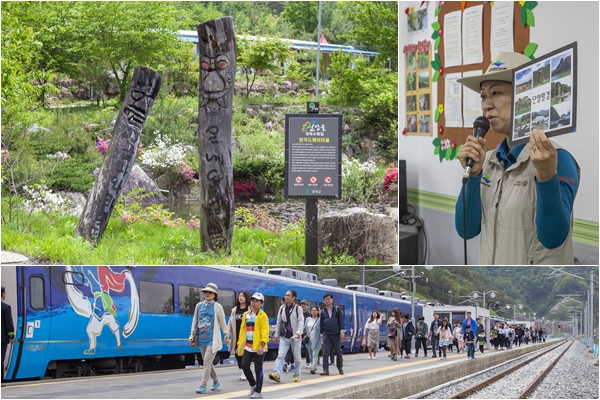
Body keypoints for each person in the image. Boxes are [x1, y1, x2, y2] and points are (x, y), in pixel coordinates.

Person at [455, 52, 580, 265]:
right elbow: (466, 230)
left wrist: (547, 175)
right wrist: (474, 175)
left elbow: (552, 239)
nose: (487, 105)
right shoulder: (490, 160)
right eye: (483, 96)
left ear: (528, 97)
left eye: (496, 92)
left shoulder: (559, 159)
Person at [189, 283, 229, 394]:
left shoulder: (218, 307)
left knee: (206, 361)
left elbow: (222, 322)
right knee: (208, 363)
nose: (207, 294)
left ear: (215, 294)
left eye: (210, 292)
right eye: (205, 292)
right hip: (201, 338)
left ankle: (203, 385)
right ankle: (216, 381)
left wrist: (226, 335)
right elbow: (195, 321)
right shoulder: (199, 306)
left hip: (212, 339)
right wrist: (192, 334)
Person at [238, 293, 269, 400]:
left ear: (261, 303)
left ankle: (258, 391)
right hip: (248, 346)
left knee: (258, 369)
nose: (254, 303)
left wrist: (262, 345)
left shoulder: (263, 315)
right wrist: (239, 344)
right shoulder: (246, 314)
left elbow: (265, 332)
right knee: (244, 365)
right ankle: (253, 385)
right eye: (252, 301)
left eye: (257, 301)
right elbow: (242, 331)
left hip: (259, 346)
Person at [269, 290, 304, 383]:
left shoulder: (298, 308)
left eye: (288, 295)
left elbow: (301, 322)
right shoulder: (282, 308)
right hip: (284, 336)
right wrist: (276, 335)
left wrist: (298, 333)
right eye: (285, 295)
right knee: (280, 356)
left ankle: (296, 375)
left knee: (297, 358)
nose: (286, 297)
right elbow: (279, 321)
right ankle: (276, 374)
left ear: (294, 298)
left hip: (295, 337)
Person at [227, 291, 251, 381]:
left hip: (247, 335)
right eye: (239, 296)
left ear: (246, 298)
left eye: (243, 296)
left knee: (245, 353)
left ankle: (244, 372)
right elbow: (230, 323)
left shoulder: (249, 309)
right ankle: (244, 368)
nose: (240, 297)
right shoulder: (234, 310)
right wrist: (227, 334)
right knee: (238, 355)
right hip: (236, 335)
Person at [319, 293, 345, 375]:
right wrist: (321, 334)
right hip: (326, 333)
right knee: (325, 352)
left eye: (328, 299)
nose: (327, 300)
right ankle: (325, 369)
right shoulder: (323, 311)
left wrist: (342, 332)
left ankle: (340, 367)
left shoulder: (337, 309)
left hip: (336, 333)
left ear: (332, 300)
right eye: (325, 299)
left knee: (338, 351)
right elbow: (321, 323)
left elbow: (341, 321)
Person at [2, 287, 15, 381]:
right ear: (2, 295)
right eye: (5, 293)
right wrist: (11, 337)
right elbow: (9, 323)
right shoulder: (5, 307)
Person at [305, 306, 321, 374]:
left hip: (317, 339)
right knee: (310, 353)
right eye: (312, 310)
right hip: (309, 339)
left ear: (317, 311)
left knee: (315, 353)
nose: (313, 312)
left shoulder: (319, 320)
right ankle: (312, 365)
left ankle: (314, 367)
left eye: (315, 310)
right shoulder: (307, 319)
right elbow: (305, 328)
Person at [300, 300, 311, 369]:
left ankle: (308, 362)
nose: (303, 306)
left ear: (307, 306)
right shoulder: (298, 314)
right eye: (302, 304)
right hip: (298, 333)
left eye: (305, 304)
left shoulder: (309, 315)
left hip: (306, 334)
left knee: (306, 348)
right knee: (295, 349)